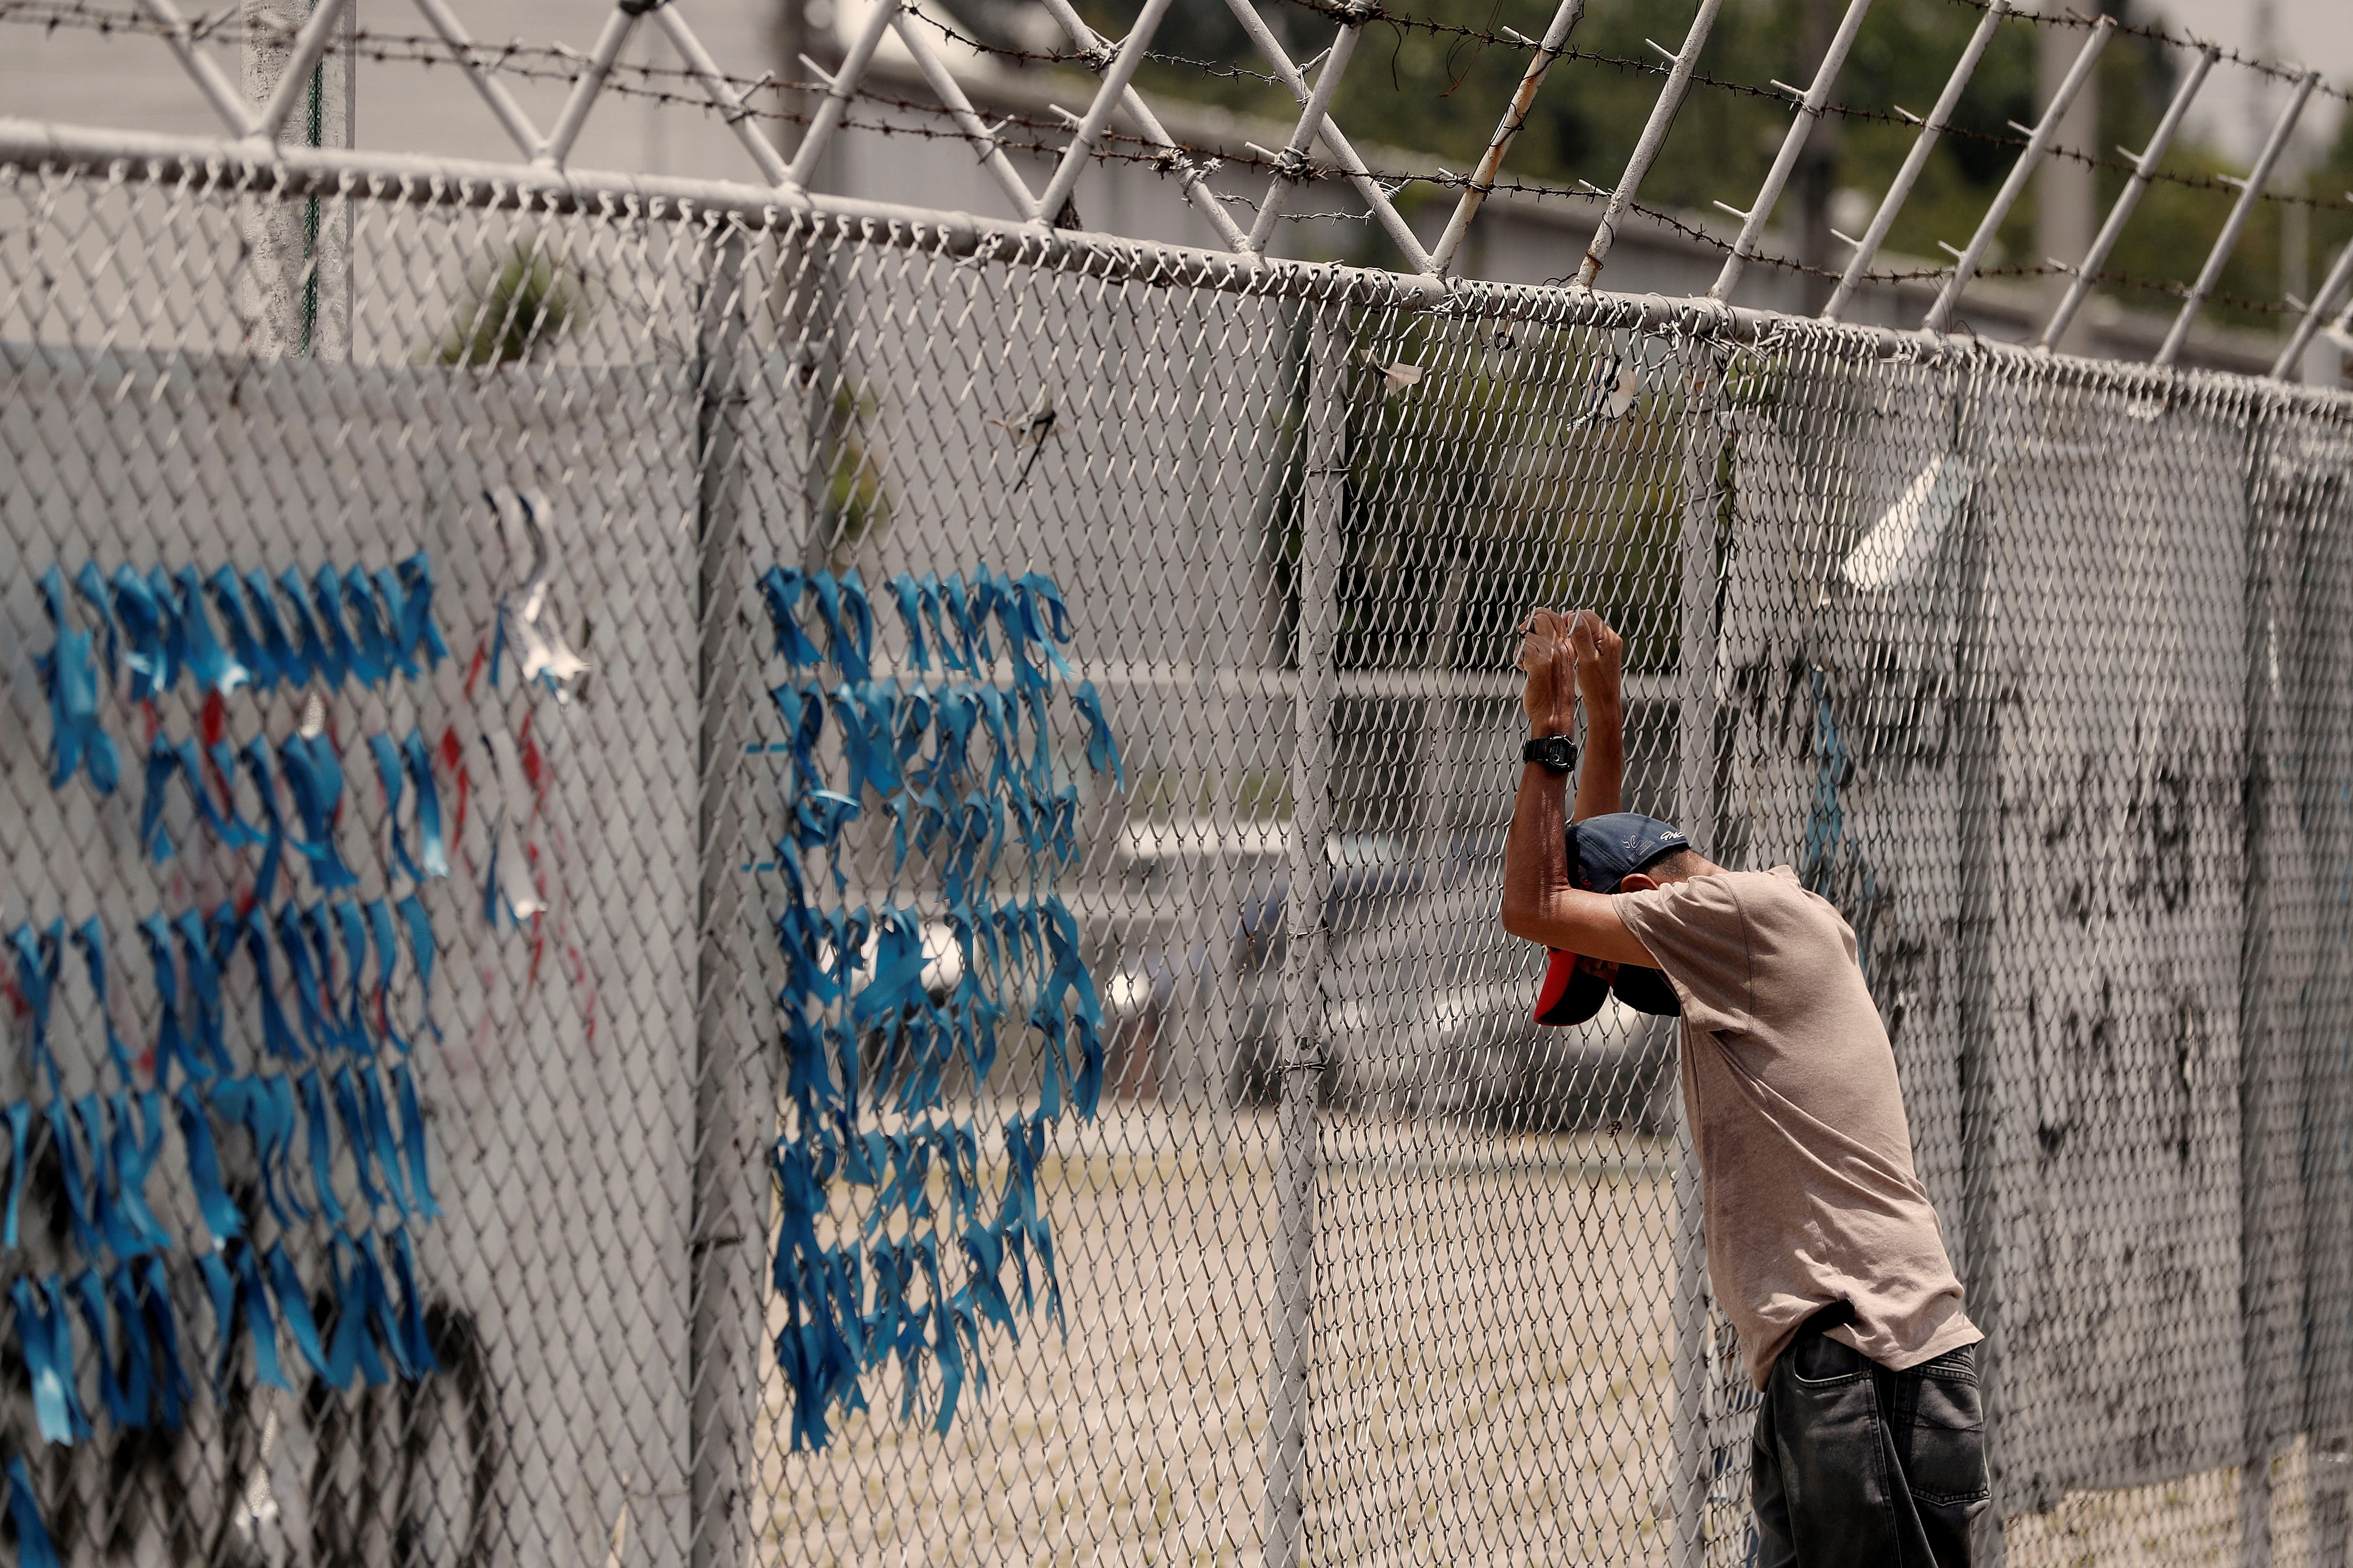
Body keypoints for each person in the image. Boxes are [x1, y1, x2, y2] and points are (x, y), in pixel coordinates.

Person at [1499, 607, 1988, 1568]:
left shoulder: (1737, 924)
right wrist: (1609, 716)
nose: (1612, 981)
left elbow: (1536, 903)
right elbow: (1601, 865)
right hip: (1856, 1366)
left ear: (1647, 906)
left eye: (1602, 965)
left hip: (1859, 1369)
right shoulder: (1758, 926)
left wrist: (1551, 733)